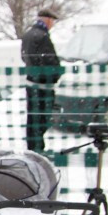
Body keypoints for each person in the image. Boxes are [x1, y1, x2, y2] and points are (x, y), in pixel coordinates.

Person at [20, 9, 63, 153]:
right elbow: (48, 59)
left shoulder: (28, 34)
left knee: (33, 119)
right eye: (53, 21)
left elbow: (24, 57)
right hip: (43, 85)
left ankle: (33, 147)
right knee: (43, 118)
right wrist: (57, 71)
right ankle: (38, 149)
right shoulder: (42, 36)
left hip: (31, 83)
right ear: (48, 20)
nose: (53, 24)